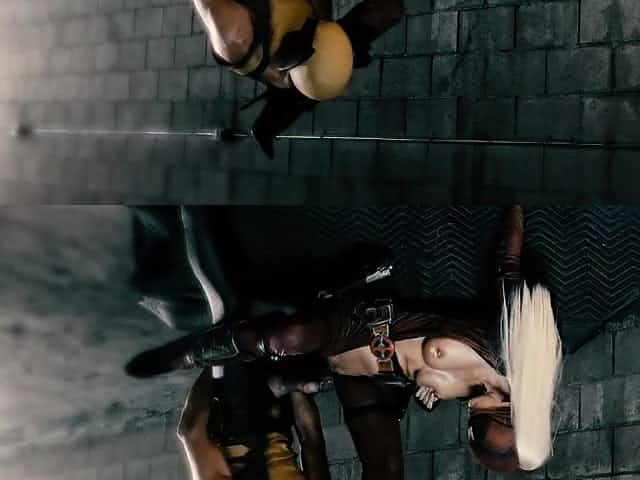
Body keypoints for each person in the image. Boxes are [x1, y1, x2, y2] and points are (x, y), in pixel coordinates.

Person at [167, 206, 563, 476]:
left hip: (368, 377)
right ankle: (191, 353)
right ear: (511, 413)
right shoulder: (506, 347)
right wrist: (517, 204)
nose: (469, 414)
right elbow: (506, 267)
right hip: (364, 325)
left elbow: (312, 445)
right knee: (284, 336)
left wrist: (424, 390)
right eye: (478, 420)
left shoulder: (476, 393)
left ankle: (233, 357)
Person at [192, 0, 406, 158]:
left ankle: (282, 108)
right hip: (279, 44)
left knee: (387, 10)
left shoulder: (240, 33)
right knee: (388, 10)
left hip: (290, 39)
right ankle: (281, 108)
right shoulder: (236, 35)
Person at [177, 361, 332, 480]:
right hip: (242, 409)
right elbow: (190, 432)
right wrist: (211, 366)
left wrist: (298, 386)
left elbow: (312, 440)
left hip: (276, 409)